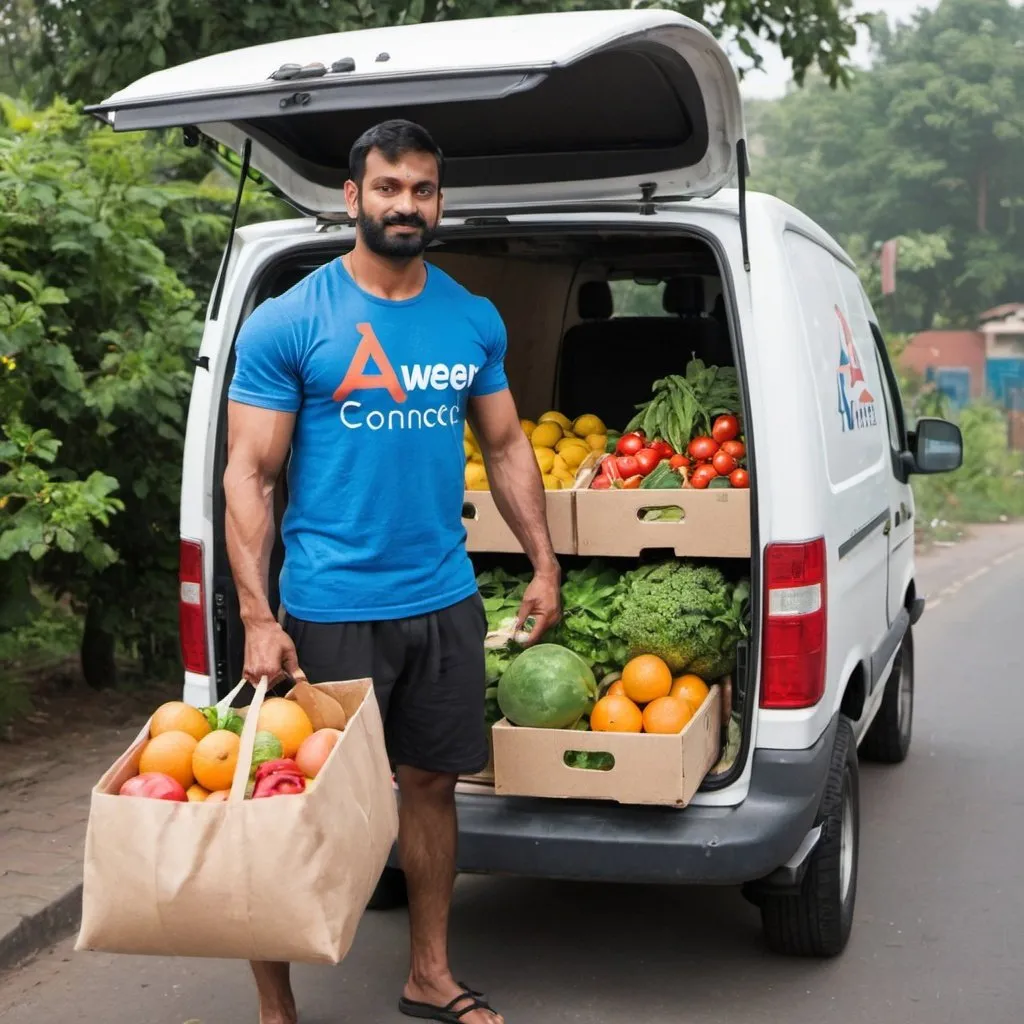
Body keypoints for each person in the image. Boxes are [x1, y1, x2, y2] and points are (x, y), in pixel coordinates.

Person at [222, 118, 562, 1024]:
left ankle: (428, 973)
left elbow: (507, 443)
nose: (405, 204)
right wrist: (260, 616)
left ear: (439, 201)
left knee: (431, 789)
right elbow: (249, 476)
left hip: (444, 599)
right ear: (353, 198)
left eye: (422, 189)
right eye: (387, 187)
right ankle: (276, 1008)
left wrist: (543, 561)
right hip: (331, 606)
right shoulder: (291, 322)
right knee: (290, 804)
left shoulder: (469, 316)